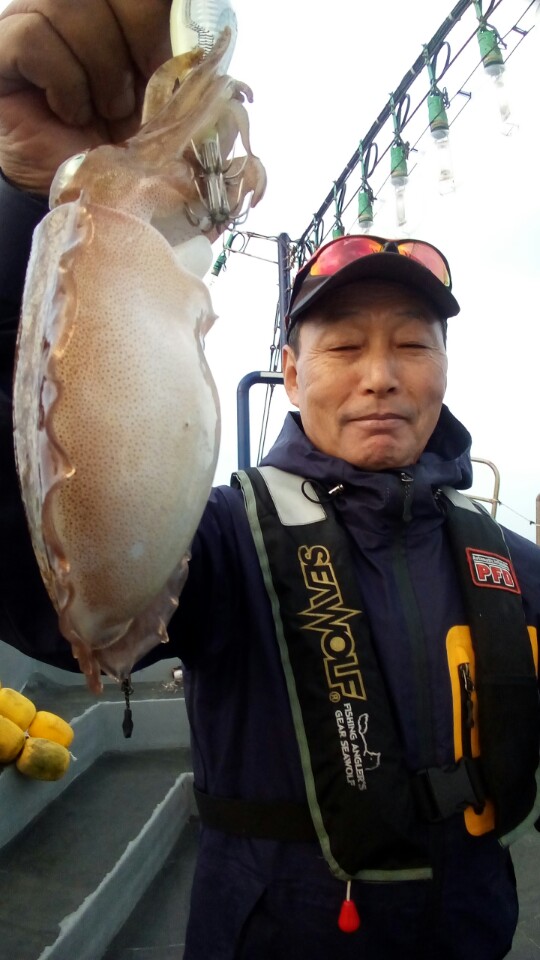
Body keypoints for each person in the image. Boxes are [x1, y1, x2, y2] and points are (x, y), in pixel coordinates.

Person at [0, 3, 539, 959]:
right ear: (288, 373)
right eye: (344, 347)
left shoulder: (514, 565)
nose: (381, 376)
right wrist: (23, 210)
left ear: (445, 370)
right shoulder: (221, 546)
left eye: (413, 346)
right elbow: (43, 576)